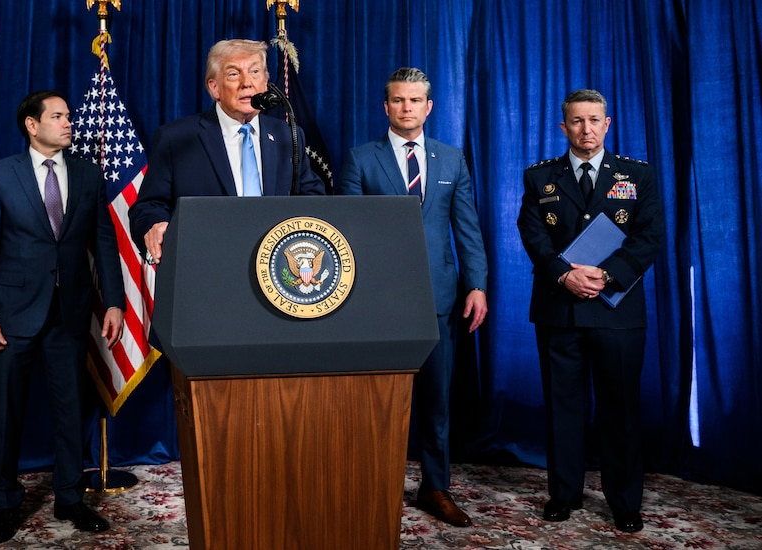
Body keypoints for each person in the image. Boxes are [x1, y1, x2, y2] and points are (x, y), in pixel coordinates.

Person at [0, 90, 126, 543]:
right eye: (57, 116)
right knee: (6, 413)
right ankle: (5, 502)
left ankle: (70, 498)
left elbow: (104, 241)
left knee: (69, 409)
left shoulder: (88, 174)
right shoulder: (0, 176)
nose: (68, 122)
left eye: (69, 115)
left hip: (70, 313)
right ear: (32, 126)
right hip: (11, 316)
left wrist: (113, 301)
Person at [336, 67, 488, 527]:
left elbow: (466, 228)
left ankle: (435, 488)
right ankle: (372, 482)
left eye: (415, 100)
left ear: (429, 106)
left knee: (437, 399)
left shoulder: (451, 159)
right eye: (398, 101)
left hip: (438, 297)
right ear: (386, 107)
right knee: (377, 399)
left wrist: (477, 284)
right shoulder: (360, 159)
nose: (407, 108)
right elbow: (347, 233)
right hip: (377, 300)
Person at [517, 88, 664, 533]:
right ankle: (563, 494)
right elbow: (531, 234)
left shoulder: (637, 176)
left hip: (616, 311)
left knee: (620, 409)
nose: (586, 129)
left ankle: (625, 502)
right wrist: (565, 274)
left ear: (608, 124)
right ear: (564, 127)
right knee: (563, 407)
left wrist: (607, 276)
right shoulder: (539, 177)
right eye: (577, 121)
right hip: (560, 309)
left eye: (594, 120)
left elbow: (649, 235)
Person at [128, 38, 325, 262]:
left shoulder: (287, 135)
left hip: (276, 269)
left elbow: (313, 199)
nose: (247, 83)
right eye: (233, 74)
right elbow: (148, 206)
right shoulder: (177, 138)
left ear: (266, 82)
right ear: (214, 88)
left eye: (255, 72)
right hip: (207, 267)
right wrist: (154, 225)